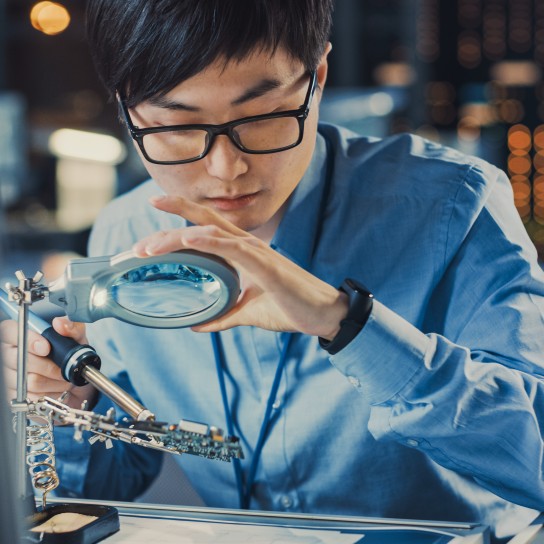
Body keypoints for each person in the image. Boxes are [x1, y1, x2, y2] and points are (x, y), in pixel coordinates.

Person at [2, 1, 544, 541]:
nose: (226, 170)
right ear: (127, 111)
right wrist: (71, 406)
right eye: (177, 127)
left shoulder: (457, 205)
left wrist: (346, 323)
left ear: (318, 79)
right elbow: (112, 477)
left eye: (262, 118)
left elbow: (533, 462)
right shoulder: (123, 235)